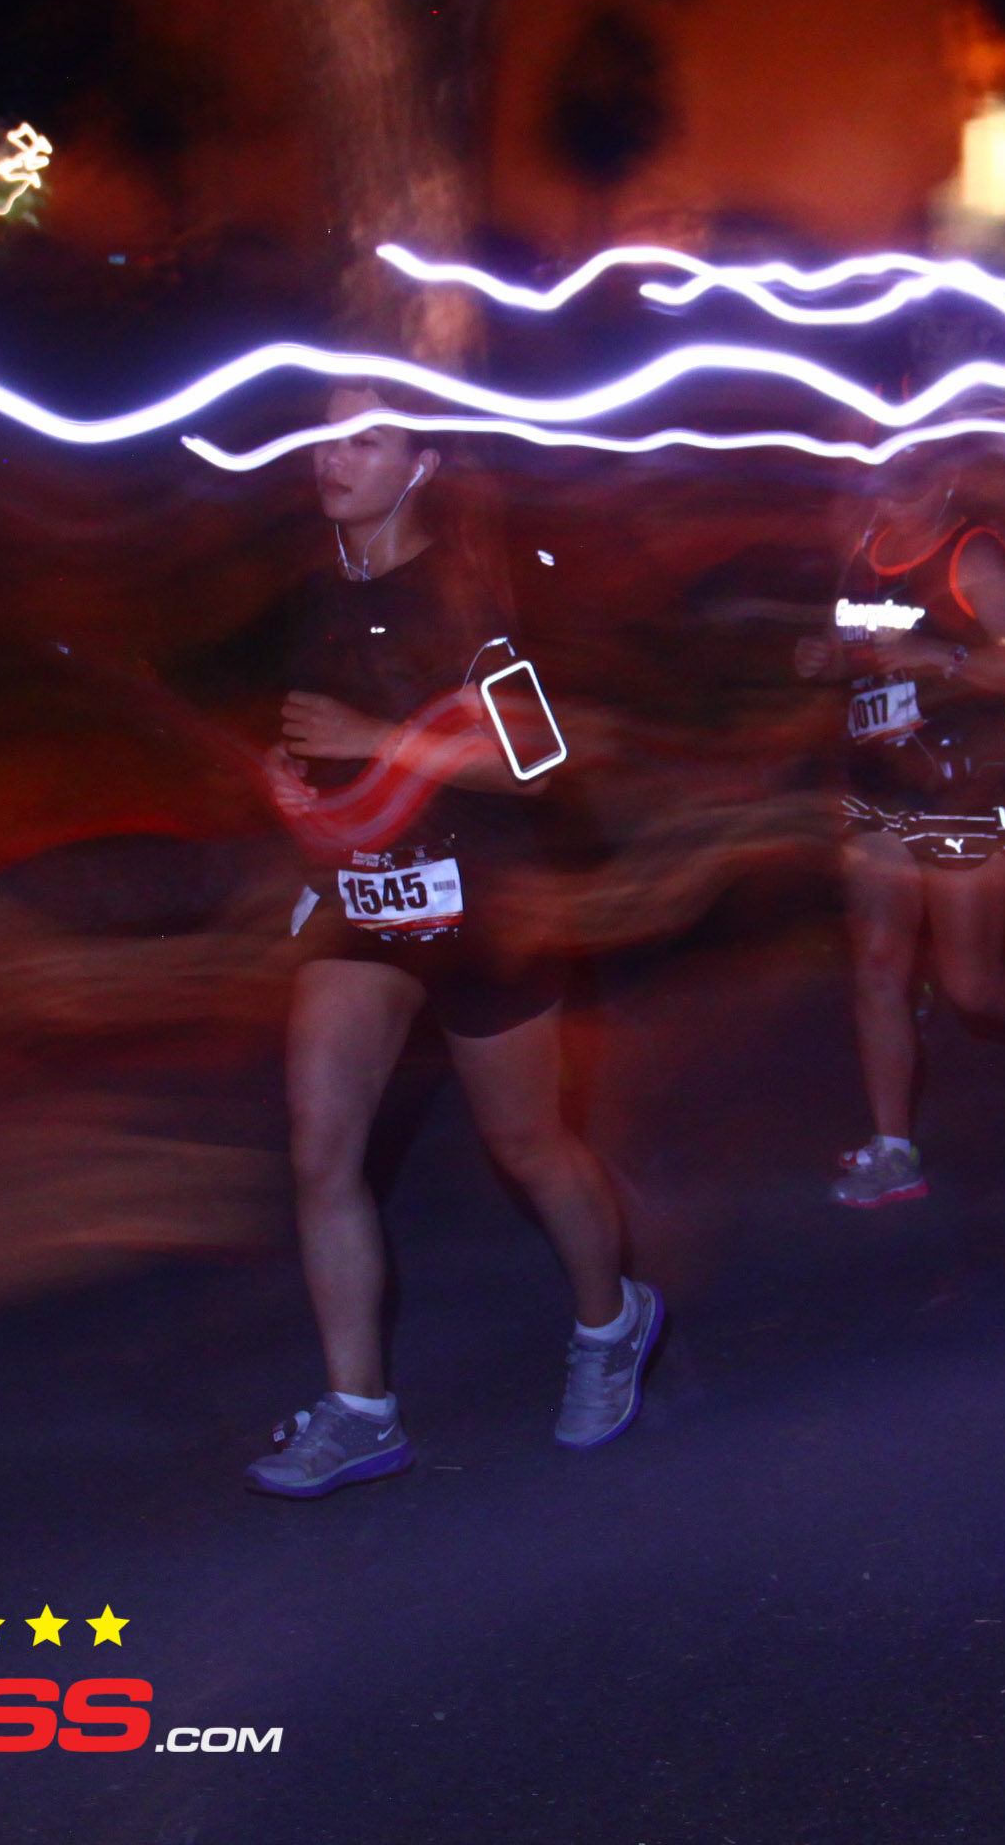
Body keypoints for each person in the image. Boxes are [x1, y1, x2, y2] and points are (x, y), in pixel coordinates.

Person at [244, 387, 661, 1498]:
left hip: (487, 905)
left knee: (526, 1145)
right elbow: (319, 744)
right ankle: (359, 1412)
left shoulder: (458, 595)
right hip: (363, 903)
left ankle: (611, 1322)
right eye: (326, 434)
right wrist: (291, 782)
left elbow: (539, 754)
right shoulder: (320, 590)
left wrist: (377, 740)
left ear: (421, 466)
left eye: (366, 440)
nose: (333, 457)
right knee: (321, 1147)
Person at [799, 449, 1005, 1207]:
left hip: (966, 788)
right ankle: (893, 1150)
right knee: (878, 966)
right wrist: (823, 659)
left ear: (942, 481)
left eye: (904, 485)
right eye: (878, 483)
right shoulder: (862, 552)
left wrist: (939, 655)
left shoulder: (973, 557)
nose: (888, 499)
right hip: (880, 786)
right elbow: (856, 653)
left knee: (972, 988)